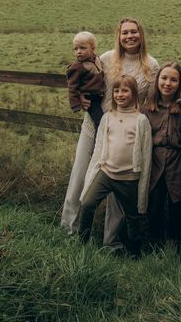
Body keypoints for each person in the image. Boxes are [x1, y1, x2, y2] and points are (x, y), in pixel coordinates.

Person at [60, 17, 159, 241]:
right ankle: (69, 230)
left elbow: (151, 102)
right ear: (119, 36)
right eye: (125, 33)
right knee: (80, 176)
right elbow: (80, 75)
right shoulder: (105, 58)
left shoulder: (151, 65)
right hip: (94, 126)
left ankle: (111, 240)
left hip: (125, 133)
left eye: (134, 32)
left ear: (141, 35)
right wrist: (82, 96)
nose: (130, 36)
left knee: (120, 188)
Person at [78, 75, 152, 258]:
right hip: (106, 172)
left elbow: (146, 153)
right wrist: (95, 169)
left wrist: (142, 178)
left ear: (133, 94)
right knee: (87, 203)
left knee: (132, 215)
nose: (120, 94)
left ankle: (134, 251)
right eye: (117, 91)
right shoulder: (108, 117)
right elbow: (99, 147)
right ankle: (82, 241)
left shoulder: (141, 120)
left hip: (128, 177)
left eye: (125, 90)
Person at [143, 61, 181, 245]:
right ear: (157, 80)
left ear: (180, 84)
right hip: (155, 161)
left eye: (174, 80)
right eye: (164, 78)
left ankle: (176, 246)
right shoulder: (148, 108)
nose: (168, 83)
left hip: (177, 163)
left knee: (176, 205)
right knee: (155, 206)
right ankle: (154, 245)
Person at [60, 31, 105, 233]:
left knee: (102, 123)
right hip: (92, 101)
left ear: (93, 49)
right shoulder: (77, 67)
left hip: (98, 97)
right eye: (76, 48)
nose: (78, 52)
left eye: (82, 48)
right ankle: (69, 225)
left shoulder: (97, 60)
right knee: (100, 123)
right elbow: (72, 87)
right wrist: (77, 102)